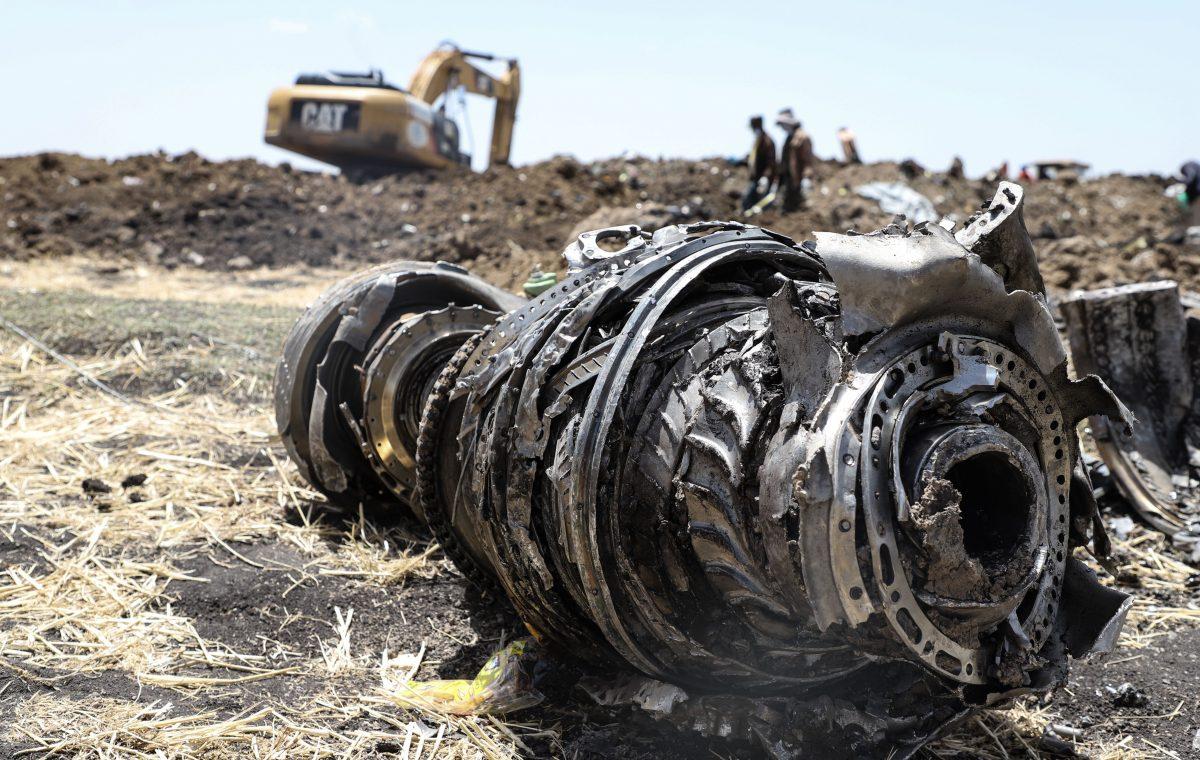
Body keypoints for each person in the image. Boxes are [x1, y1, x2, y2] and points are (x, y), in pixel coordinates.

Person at [776, 108, 815, 213]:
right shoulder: (789, 138)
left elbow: (808, 160)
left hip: (798, 180)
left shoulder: (802, 137)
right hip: (789, 180)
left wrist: (807, 178)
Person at [741, 116, 777, 213]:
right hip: (755, 178)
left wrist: (765, 177)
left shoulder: (767, 141)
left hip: (763, 180)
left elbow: (771, 162)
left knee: (759, 203)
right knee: (748, 203)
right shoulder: (758, 140)